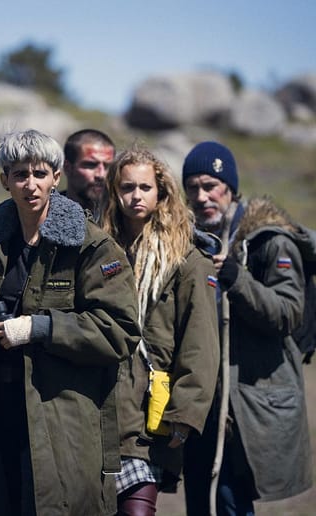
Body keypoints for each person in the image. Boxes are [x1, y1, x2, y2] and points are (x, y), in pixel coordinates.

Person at [0, 129, 141, 515]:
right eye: (19, 174)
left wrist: (40, 328)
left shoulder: (92, 246)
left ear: (56, 176)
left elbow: (120, 330)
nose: (30, 184)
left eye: (39, 173)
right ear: (5, 180)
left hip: (59, 425)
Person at [181, 141, 312, 515]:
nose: (202, 196)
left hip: (246, 407)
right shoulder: (193, 243)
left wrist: (238, 279)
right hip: (202, 406)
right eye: (192, 187)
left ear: (230, 187)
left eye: (211, 185)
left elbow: (288, 313)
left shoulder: (271, 242)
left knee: (229, 505)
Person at [100, 146, 219, 515]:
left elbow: (200, 343)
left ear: (161, 192)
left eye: (145, 187)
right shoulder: (99, 250)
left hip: (151, 414)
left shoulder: (188, 259)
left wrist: (184, 414)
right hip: (98, 408)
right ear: (114, 192)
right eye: (127, 187)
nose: (135, 196)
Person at [63, 129, 115, 221]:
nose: (101, 175)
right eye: (91, 165)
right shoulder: (42, 214)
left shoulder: (124, 219)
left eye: (107, 166)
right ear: (67, 168)